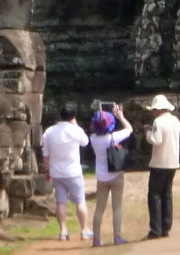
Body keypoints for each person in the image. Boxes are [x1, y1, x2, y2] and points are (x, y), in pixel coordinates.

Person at [41, 104, 90, 241]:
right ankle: (84, 230)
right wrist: (77, 126)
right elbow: (85, 142)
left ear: (60, 115)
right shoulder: (75, 130)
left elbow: (46, 154)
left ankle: (63, 231)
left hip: (56, 172)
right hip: (73, 171)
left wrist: (47, 170)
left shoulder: (49, 132)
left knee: (60, 202)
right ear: (73, 117)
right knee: (80, 201)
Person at [88, 102, 132, 245]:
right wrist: (121, 116)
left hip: (101, 177)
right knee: (117, 206)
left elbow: (98, 126)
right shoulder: (113, 138)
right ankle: (117, 236)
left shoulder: (93, 139)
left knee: (99, 208)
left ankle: (96, 238)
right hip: (116, 175)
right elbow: (129, 129)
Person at [144, 94, 180, 240]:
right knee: (167, 194)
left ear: (158, 109)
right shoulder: (175, 121)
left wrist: (147, 132)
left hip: (160, 163)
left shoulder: (158, 122)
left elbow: (156, 140)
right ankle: (165, 227)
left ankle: (156, 229)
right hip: (172, 161)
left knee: (155, 195)